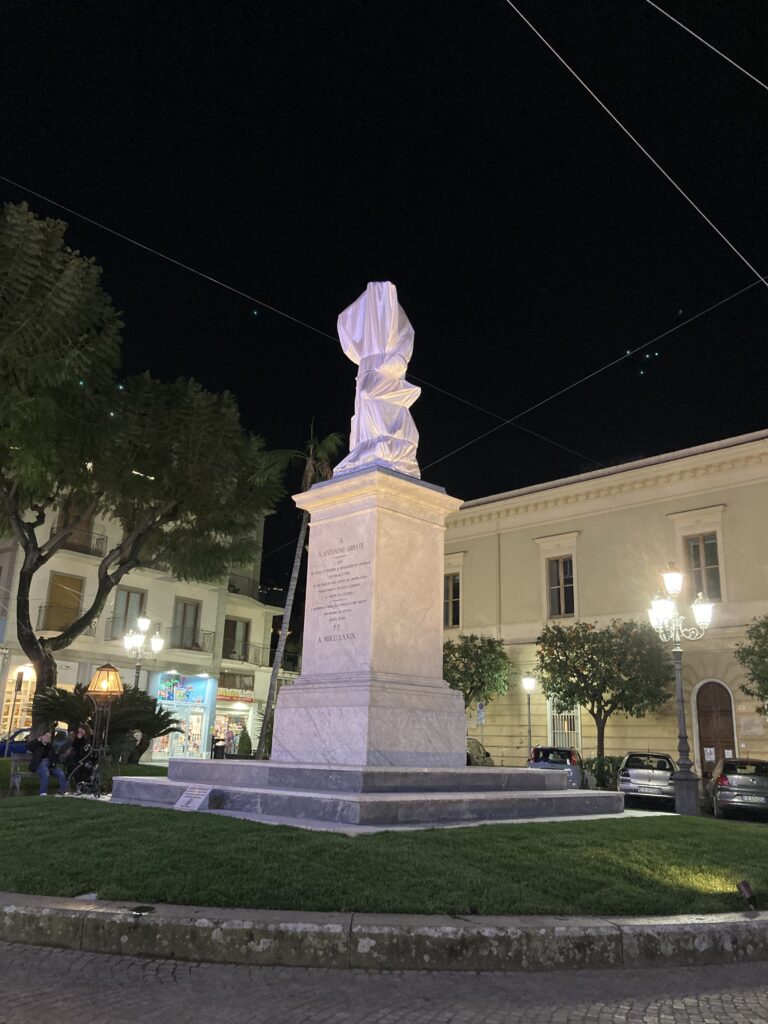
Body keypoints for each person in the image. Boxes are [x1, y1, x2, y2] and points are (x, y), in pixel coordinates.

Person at [27, 730, 68, 796]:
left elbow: (55, 758)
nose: (48, 738)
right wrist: (38, 740)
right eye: (46, 736)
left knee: (61, 773)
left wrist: (54, 762)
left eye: (49, 737)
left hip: (50, 765)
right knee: (45, 772)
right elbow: (28, 746)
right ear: (42, 737)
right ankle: (43, 793)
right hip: (40, 764)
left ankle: (64, 792)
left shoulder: (51, 747)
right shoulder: (37, 745)